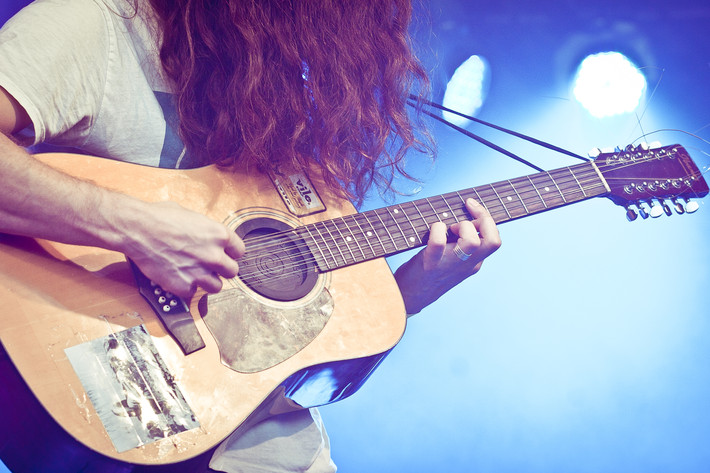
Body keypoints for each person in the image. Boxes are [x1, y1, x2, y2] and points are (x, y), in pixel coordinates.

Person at [0, 0, 501, 472]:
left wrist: (407, 292)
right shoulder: (98, 24)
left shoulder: (276, 94)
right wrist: (134, 227)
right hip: (130, 396)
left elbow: (297, 343)